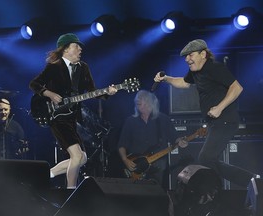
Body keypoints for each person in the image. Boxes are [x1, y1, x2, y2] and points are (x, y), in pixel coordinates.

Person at [154, 39, 260, 188]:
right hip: (215, 123)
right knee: (209, 160)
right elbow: (183, 83)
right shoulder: (196, 72)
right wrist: (165, 79)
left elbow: (237, 88)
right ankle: (235, 187)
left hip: (225, 121)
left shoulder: (215, 68)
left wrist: (219, 107)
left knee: (205, 158)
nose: (186, 59)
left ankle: (252, 181)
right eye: (185, 57)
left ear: (203, 54)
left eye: (190, 55)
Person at [29, 33, 117, 189]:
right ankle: (70, 192)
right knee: (76, 156)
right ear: (66, 49)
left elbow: (91, 90)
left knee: (82, 158)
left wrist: (107, 92)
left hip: (72, 117)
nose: (80, 49)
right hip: (57, 117)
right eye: (76, 46)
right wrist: (50, 94)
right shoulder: (54, 67)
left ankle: (46, 174)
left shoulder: (83, 68)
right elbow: (34, 84)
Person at [118, 90, 185, 190]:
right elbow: (121, 144)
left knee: (155, 193)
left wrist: (181, 141)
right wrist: (125, 160)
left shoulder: (163, 119)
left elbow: (174, 138)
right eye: (138, 101)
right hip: (137, 166)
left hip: (158, 164)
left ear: (151, 103)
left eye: (143, 101)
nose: (140, 104)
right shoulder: (130, 121)